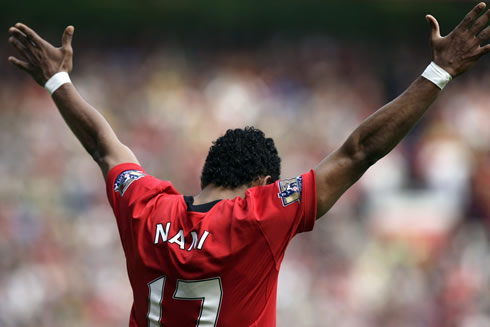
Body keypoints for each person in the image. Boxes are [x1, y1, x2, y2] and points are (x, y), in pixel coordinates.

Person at [7, 3, 490, 326]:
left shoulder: (146, 209)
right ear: (261, 182)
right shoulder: (259, 216)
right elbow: (359, 151)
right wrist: (440, 72)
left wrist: (57, 81)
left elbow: (103, 144)